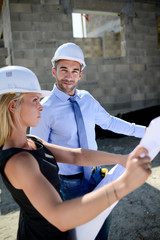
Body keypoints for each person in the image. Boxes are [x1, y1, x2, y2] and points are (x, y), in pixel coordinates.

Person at [0, 65, 151, 240]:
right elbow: (59, 216)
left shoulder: (32, 142)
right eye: (34, 100)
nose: (41, 107)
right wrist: (125, 184)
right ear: (13, 106)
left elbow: (75, 155)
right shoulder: (19, 162)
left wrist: (122, 159)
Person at [30, 42, 147, 201]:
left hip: (97, 174)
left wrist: (145, 131)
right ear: (54, 72)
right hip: (70, 184)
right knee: (80, 226)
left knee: (104, 223)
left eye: (74, 71)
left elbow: (110, 122)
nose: (69, 76)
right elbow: (38, 152)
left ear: (80, 75)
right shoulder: (44, 109)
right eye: (63, 70)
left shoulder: (86, 98)